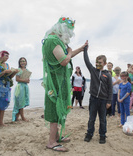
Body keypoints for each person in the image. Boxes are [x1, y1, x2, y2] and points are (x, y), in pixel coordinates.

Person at [42, 17, 88, 152]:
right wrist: (69, 52)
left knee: (58, 108)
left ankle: (56, 137)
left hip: (59, 81)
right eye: (69, 32)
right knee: (55, 109)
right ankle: (51, 142)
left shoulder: (55, 40)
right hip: (56, 83)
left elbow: (67, 55)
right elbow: (64, 60)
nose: (69, 35)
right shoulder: (53, 41)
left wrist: (80, 49)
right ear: (63, 30)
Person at [83, 50, 112, 144]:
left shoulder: (107, 75)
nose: (98, 64)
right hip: (93, 99)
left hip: (103, 100)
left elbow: (110, 89)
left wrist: (109, 101)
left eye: (100, 63)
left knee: (103, 119)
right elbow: (86, 61)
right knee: (91, 118)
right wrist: (85, 50)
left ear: (104, 63)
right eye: (96, 62)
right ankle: (89, 134)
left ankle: (102, 136)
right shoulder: (93, 70)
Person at [0, 50, 18, 128]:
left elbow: (9, 77)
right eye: (6, 55)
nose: (7, 57)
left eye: (8, 56)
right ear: (1, 55)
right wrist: (4, 72)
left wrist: (14, 73)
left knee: (3, 104)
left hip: (5, 84)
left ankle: (1, 122)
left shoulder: (7, 65)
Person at [12, 57, 30, 122]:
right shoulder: (18, 70)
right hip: (20, 87)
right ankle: (22, 117)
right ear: (19, 63)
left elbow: (27, 80)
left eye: (24, 61)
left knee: (23, 101)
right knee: (20, 102)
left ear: (26, 62)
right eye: (21, 61)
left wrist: (27, 80)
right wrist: (24, 80)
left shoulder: (27, 70)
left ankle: (17, 117)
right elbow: (17, 79)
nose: (22, 62)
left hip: (25, 86)